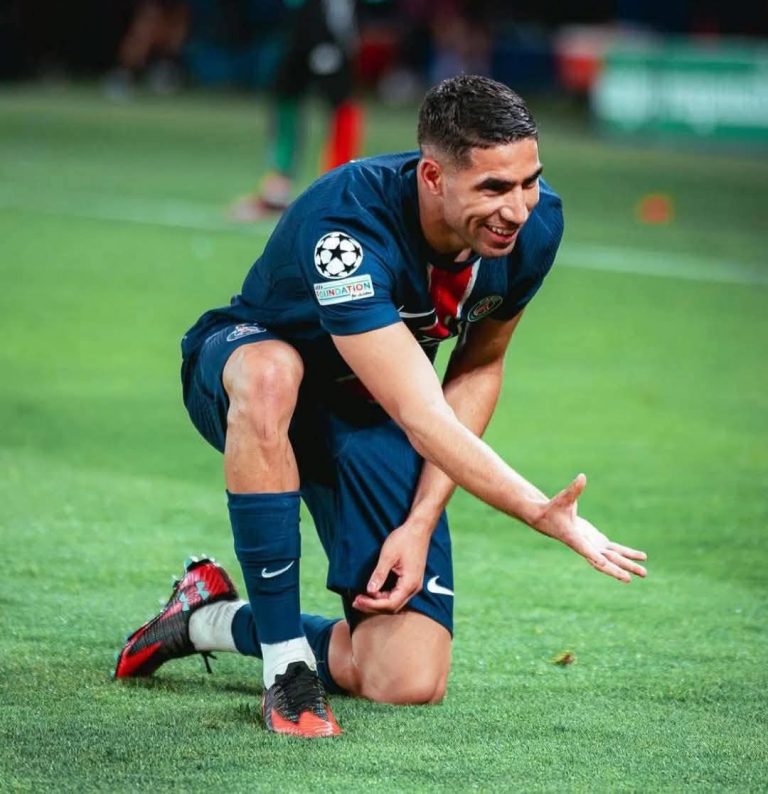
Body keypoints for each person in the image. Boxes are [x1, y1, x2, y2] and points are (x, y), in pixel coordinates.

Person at [115, 75, 648, 738]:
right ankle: (286, 669)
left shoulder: (535, 227)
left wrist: (419, 522)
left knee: (405, 679)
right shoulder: (347, 225)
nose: (516, 209)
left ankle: (203, 618)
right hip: (243, 375)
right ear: (433, 176)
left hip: (366, 412)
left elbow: (478, 367)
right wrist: (540, 511)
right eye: (493, 188)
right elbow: (422, 413)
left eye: (528, 182)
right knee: (274, 373)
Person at [230, 0, 364, 220]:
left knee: (343, 107)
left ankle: (337, 188)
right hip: (303, 30)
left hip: (333, 37)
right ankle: (278, 186)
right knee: (286, 97)